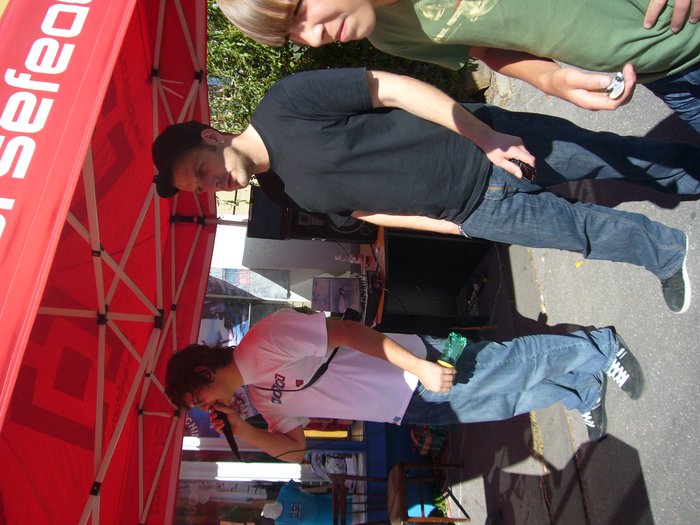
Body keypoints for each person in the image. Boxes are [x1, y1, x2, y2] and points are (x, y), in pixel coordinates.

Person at [152, 68, 693, 313]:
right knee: (579, 234)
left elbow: (390, 88)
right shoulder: (277, 194)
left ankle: (689, 171)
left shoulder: (284, 103)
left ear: (211, 136)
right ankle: (664, 251)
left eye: (201, 170)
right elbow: (366, 212)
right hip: (471, 209)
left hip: (479, 146)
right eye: (199, 189)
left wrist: (485, 137)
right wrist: (451, 227)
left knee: (604, 154)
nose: (210, 185)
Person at [164, 308, 646, 460]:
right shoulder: (258, 398)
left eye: (197, 399)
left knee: (505, 364)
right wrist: (243, 432)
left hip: (413, 366)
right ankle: (580, 389)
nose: (204, 408)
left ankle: (600, 346)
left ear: (203, 374)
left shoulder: (264, 339)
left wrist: (418, 365)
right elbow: (295, 449)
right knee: (502, 400)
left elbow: (347, 332)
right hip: (401, 408)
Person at [217, 0, 700, 131]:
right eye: (291, 36)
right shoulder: (389, 34)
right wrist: (552, 79)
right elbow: (486, 50)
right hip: (664, 76)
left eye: (299, 9)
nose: (311, 37)